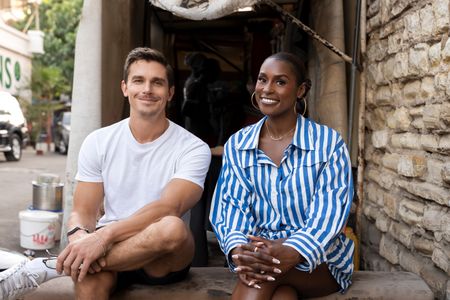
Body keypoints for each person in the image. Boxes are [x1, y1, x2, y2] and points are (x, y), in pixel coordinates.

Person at [0, 47, 211, 300]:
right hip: (106, 247)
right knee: (90, 287)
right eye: (138, 81)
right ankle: (72, 262)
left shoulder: (193, 147)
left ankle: (49, 268)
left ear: (171, 93)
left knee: (172, 228)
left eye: (157, 82)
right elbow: (84, 211)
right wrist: (79, 235)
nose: (147, 89)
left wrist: (102, 238)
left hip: (162, 257)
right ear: (125, 88)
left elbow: (169, 207)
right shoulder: (99, 141)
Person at [209, 52, 354, 300]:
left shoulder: (328, 143)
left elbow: (329, 214)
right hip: (258, 254)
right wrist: (238, 250)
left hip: (318, 259)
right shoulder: (238, 144)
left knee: (259, 282)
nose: (267, 89)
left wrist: (293, 250)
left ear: (300, 90)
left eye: (280, 81)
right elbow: (231, 207)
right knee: (282, 295)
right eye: (262, 79)